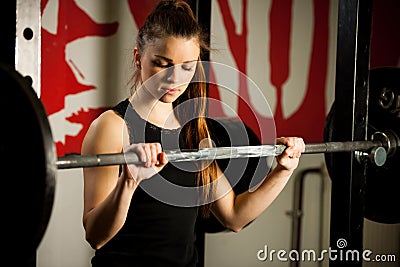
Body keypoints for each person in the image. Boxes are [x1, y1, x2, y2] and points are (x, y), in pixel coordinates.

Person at [81, 0, 305, 266]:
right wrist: (128, 182)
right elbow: (96, 237)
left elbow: (234, 217)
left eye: (186, 67)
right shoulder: (112, 127)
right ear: (138, 57)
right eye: (162, 64)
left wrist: (283, 171)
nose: (174, 80)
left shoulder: (193, 130)